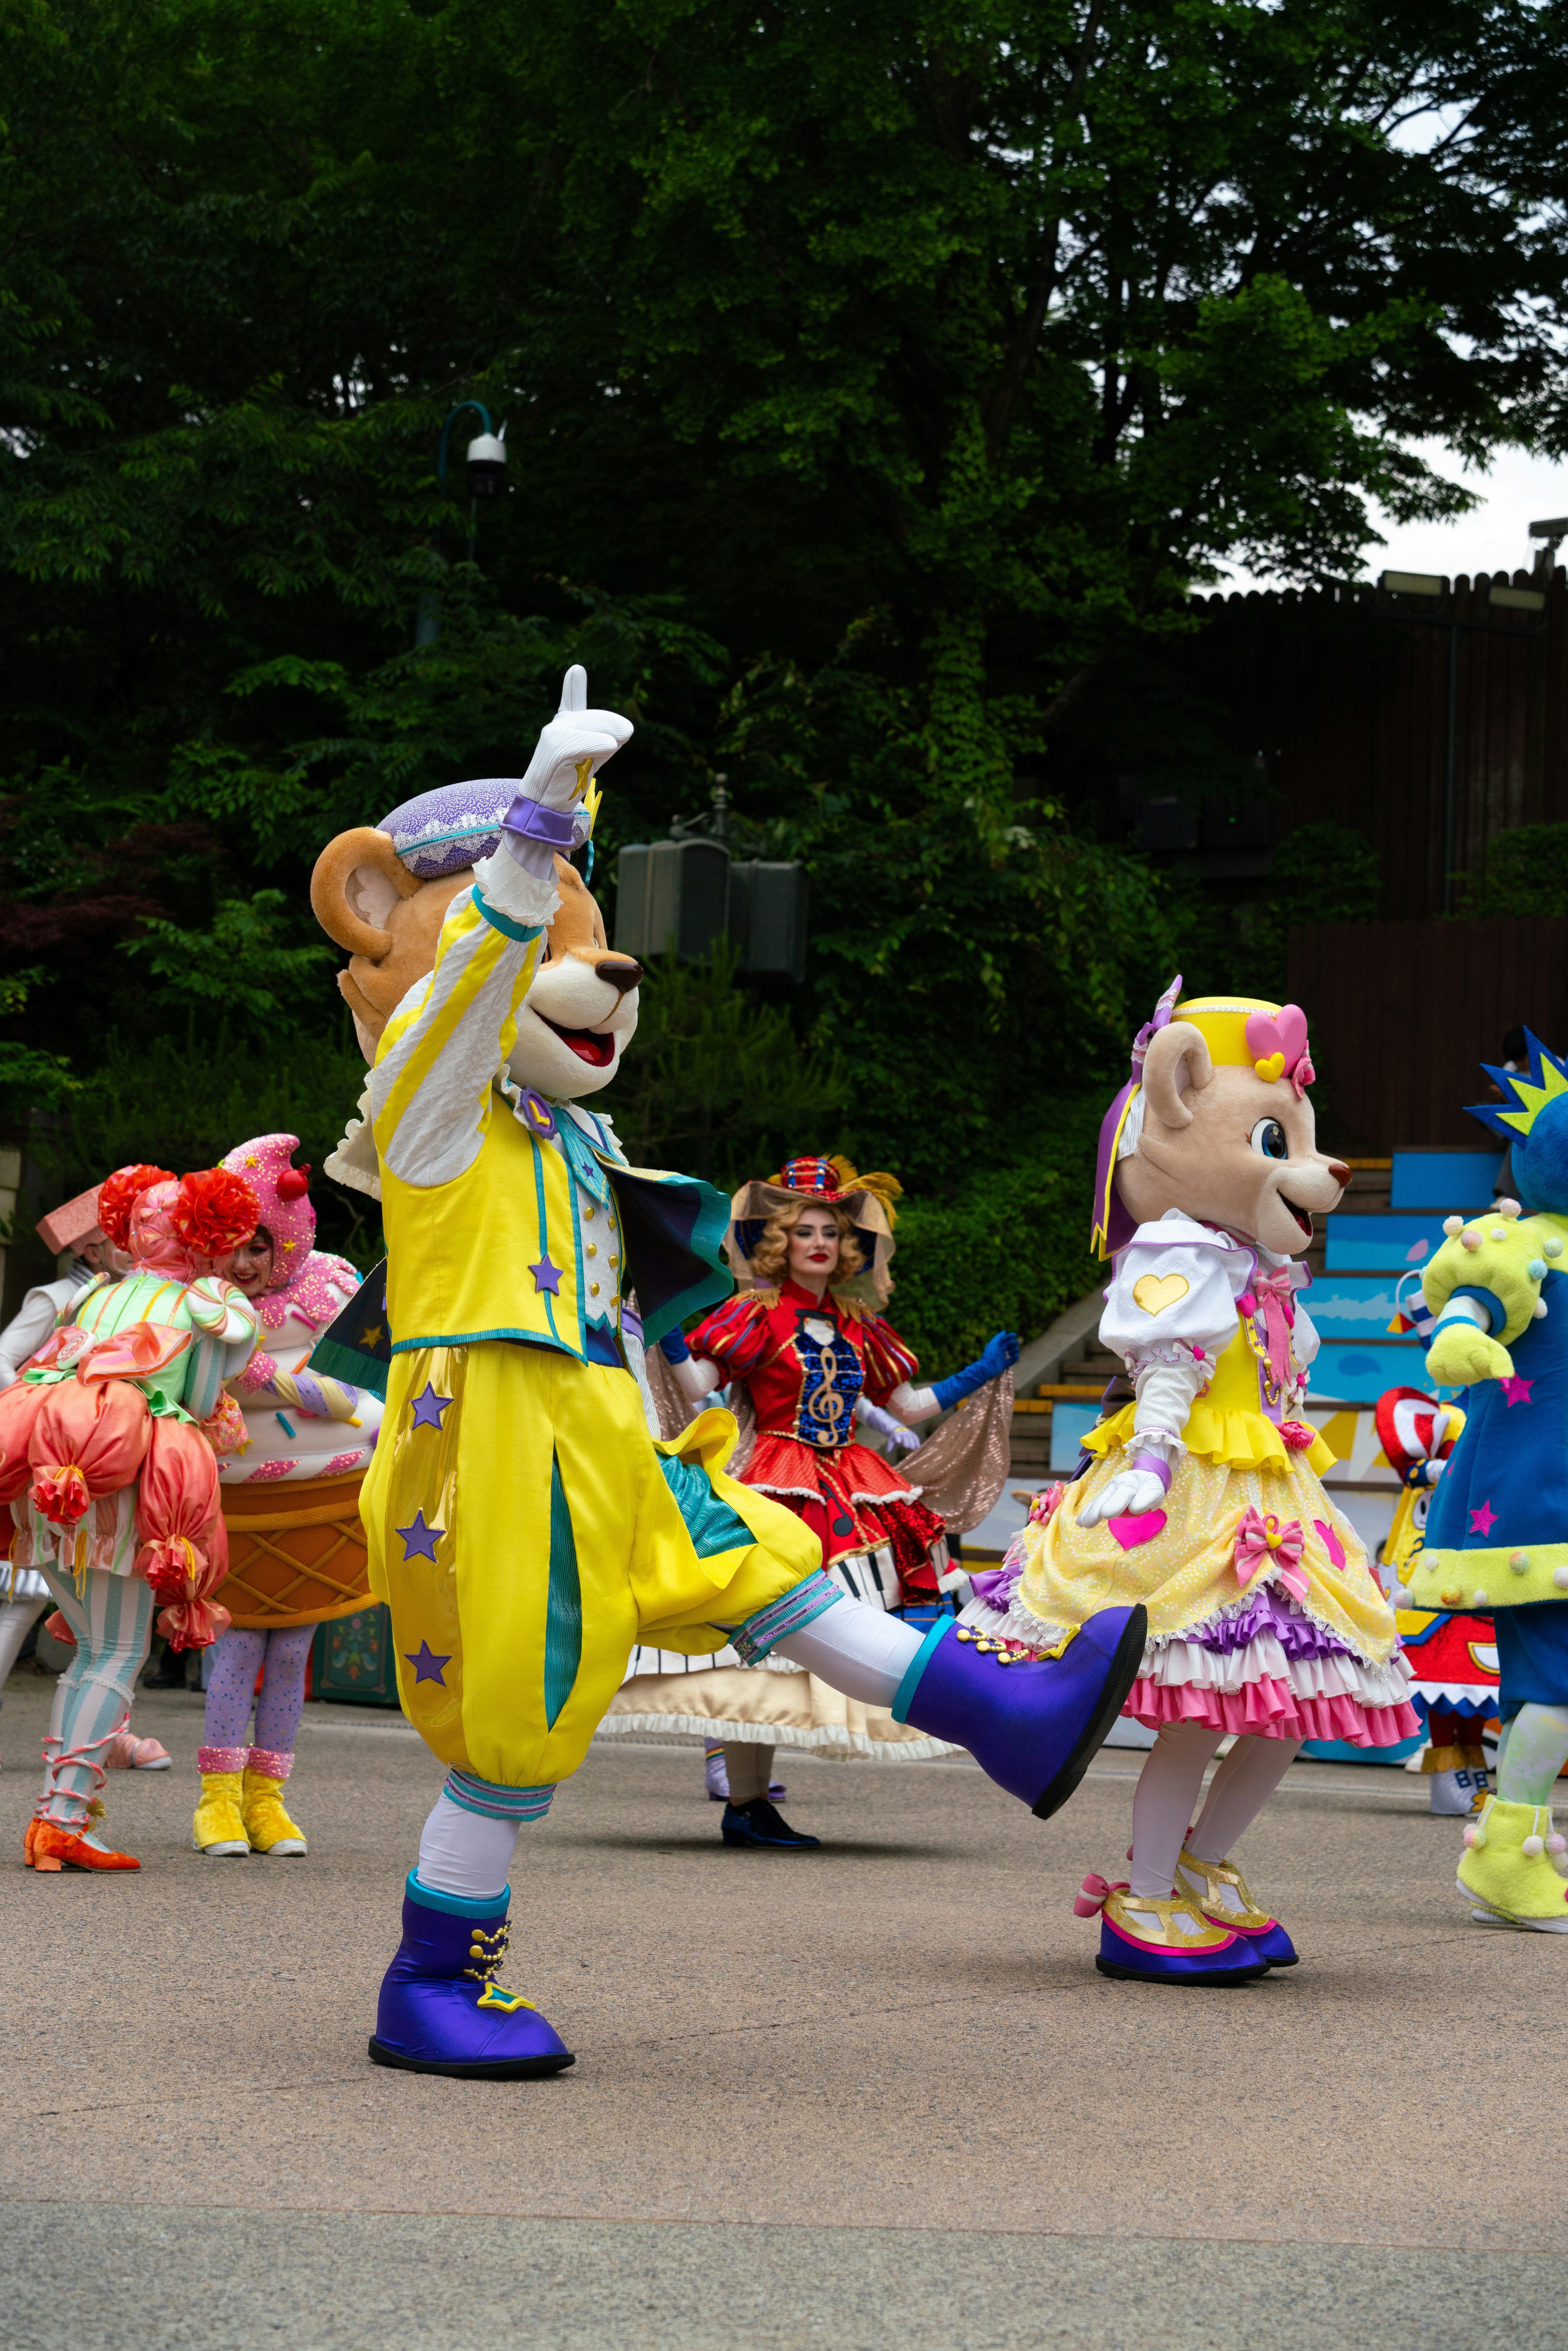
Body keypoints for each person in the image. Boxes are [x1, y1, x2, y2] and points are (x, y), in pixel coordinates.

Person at [306, 668, 1145, 2078]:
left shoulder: (559, 1137)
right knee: (516, 1725)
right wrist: (531, 829)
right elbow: (459, 1001)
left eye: (594, 944)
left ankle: (1002, 1714)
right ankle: (431, 1979)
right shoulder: (428, 1112)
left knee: (768, 1567)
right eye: (546, 946)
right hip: (498, 1445)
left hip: (603, 1432)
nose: (604, 974)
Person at [968, 981, 1415, 1984]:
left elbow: (1279, 1376)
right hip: (1197, 1493)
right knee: (1203, 1706)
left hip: (1272, 1495)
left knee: (1294, 1699)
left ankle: (1204, 1864)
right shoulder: (1177, 1251)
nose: (1315, 1166)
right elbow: (1166, 1373)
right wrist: (1153, 1463)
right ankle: (1148, 1888)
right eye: (1274, 1138)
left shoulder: (1259, 1268)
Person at [608, 1155, 1018, 1849]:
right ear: (780, 1243)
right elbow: (700, 1377)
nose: (820, 1243)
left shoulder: (860, 1324)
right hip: (774, 1478)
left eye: (831, 1231)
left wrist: (977, 1374)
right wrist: (671, 1322)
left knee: (845, 1625)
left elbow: (908, 1407)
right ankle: (745, 1800)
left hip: (855, 1488)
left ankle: (761, 1792)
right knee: (763, 1634)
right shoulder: (754, 1314)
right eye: (805, 1232)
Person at [7, 1162, 261, 1871]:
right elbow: (205, 1401)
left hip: (54, 1480)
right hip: (127, 1490)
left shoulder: (94, 1299)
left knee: (91, 1653)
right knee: (116, 1654)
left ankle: (59, 1819)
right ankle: (62, 1822)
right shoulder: (202, 1304)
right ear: (204, 1234)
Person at [1405, 1030, 1568, 1928]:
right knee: (1552, 1683)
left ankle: (1522, 1849)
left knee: (1549, 1682)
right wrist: (1461, 1333)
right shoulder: (1526, 1241)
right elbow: (1472, 1297)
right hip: (1543, 1501)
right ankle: (1509, 1856)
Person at [191, 1133, 383, 1859]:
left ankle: (268, 1801)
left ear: (289, 1245)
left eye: (259, 1249)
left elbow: (372, 1368)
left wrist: (354, 1406)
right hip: (232, 1504)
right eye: (232, 1247)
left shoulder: (333, 1293)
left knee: (295, 1653)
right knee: (236, 1650)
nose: (244, 1266)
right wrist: (334, 1399)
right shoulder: (200, 1308)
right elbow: (239, 1382)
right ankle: (217, 1802)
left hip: (323, 1496)